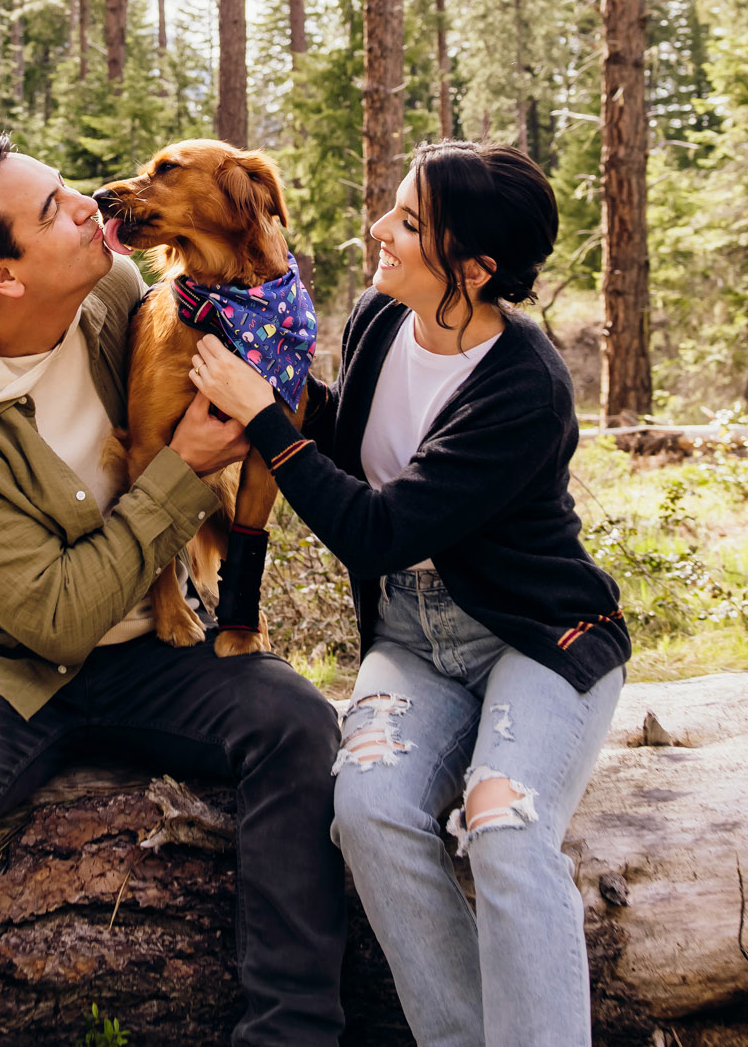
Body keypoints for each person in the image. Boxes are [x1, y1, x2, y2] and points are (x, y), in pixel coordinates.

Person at [0, 134, 347, 1047]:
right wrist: (184, 473)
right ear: (2, 275)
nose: (87, 205)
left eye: (66, 189)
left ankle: (294, 1031)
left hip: (156, 649)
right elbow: (57, 617)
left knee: (302, 724)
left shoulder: (122, 291)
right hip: (7, 665)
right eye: (52, 211)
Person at [188, 139, 630, 1047]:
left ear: (475, 268)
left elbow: (379, 529)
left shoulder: (523, 385)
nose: (378, 230)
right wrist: (261, 373)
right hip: (412, 636)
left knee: (504, 826)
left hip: (535, 635)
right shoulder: (380, 324)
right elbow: (349, 459)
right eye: (392, 209)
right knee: (370, 811)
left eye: (410, 223)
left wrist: (267, 417)